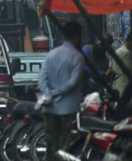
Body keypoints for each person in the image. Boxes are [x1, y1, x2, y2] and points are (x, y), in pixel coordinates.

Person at [38, 22, 85, 161]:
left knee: (51, 148)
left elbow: (41, 76)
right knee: (66, 148)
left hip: (49, 107)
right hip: (68, 109)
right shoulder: (77, 56)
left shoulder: (51, 54)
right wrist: (56, 93)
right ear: (76, 37)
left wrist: (47, 93)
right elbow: (72, 82)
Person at [112, 30, 132, 96]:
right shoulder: (127, 53)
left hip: (117, 85)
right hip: (124, 87)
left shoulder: (119, 50)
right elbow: (131, 72)